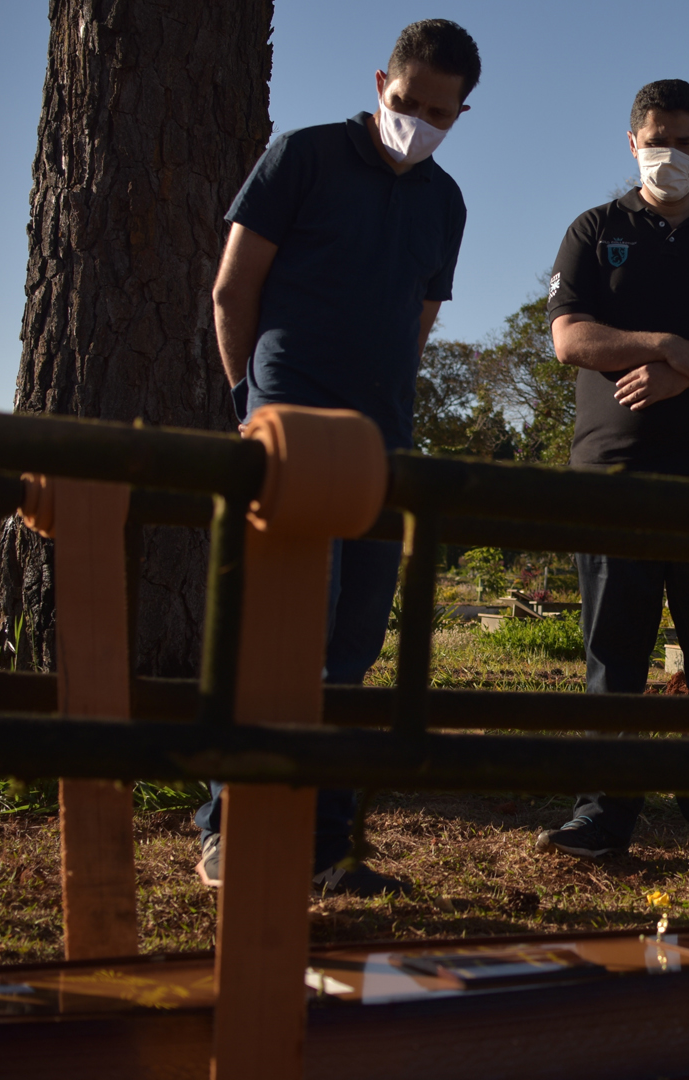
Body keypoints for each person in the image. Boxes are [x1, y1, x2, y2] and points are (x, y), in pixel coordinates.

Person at [194, 18, 480, 898]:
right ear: (380, 83)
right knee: (274, 630)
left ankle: (326, 844)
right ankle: (226, 830)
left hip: (379, 443)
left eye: (440, 111)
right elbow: (232, 288)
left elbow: (419, 324)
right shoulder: (304, 157)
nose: (418, 120)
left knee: (353, 644)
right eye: (407, 102)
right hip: (286, 425)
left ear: (462, 112)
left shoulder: (446, 202)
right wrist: (254, 401)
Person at [535, 79, 689, 870]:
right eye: (655, 137)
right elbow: (569, 339)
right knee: (615, 654)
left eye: (683, 139)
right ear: (631, 140)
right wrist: (661, 344)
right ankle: (604, 816)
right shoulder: (594, 230)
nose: (668, 153)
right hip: (614, 478)